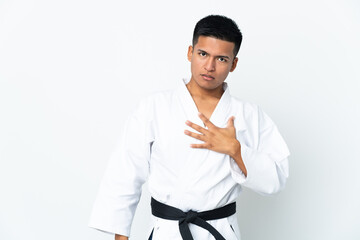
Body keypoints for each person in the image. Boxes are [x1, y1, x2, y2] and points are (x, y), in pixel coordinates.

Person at [88, 15, 290, 240]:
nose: (209, 66)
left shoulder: (248, 115)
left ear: (233, 64)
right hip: (166, 232)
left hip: (219, 231)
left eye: (221, 59)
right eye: (203, 54)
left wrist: (236, 150)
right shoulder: (154, 107)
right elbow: (124, 174)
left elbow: (276, 180)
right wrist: (120, 236)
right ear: (190, 53)